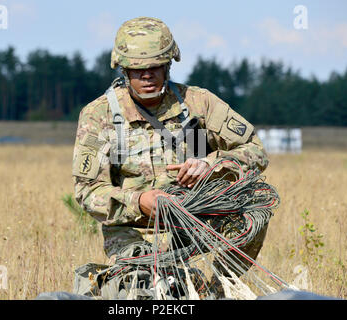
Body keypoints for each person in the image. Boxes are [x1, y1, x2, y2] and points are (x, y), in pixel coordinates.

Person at [72, 17, 269, 277]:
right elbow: (86, 191)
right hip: (134, 230)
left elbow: (256, 151)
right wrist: (140, 201)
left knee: (256, 206)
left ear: (168, 65)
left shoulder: (199, 103)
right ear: (123, 71)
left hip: (195, 217)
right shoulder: (100, 115)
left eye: (155, 67)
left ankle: (219, 290)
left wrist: (210, 165)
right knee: (152, 286)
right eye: (136, 69)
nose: (146, 75)